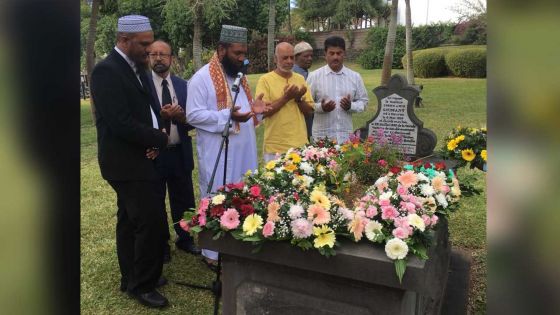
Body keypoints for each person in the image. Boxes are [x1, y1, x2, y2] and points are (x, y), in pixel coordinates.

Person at [90, 15, 169, 308]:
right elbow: (120, 122)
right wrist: (157, 139)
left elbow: (148, 108)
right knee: (151, 222)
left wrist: (153, 141)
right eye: (144, 44)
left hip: (139, 155)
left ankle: (132, 277)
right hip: (123, 162)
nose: (150, 50)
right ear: (124, 40)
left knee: (128, 220)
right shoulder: (106, 71)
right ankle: (143, 284)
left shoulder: (137, 67)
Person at [186, 25, 266, 268]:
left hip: (244, 151)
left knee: (243, 194)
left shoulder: (240, 79)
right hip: (217, 153)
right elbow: (193, 115)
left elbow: (246, 114)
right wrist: (228, 117)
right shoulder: (201, 78)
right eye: (237, 54)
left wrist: (258, 112)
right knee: (217, 197)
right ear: (221, 50)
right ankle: (213, 255)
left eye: (244, 53)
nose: (242, 59)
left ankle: (240, 244)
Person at [146, 40, 201, 262]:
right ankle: (161, 244)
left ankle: (185, 238)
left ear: (171, 59)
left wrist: (181, 118)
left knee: (184, 198)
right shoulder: (142, 86)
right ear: (148, 57)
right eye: (154, 54)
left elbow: (193, 121)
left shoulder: (183, 85)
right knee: (156, 201)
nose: (158, 58)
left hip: (180, 151)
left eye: (163, 54)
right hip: (155, 154)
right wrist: (163, 117)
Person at [256, 42, 314, 162]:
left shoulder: (300, 79)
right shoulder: (265, 80)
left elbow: (309, 112)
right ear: (275, 59)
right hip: (275, 147)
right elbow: (263, 113)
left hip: (300, 144)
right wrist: (286, 98)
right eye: (285, 58)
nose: (289, 61)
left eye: (292, 57)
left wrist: (298, 99)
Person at [306, 36, 369, 144]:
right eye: (331, 53)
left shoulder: (355, 77)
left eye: (339, 53)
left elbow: (364, 102)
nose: (335, 57)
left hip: (345, 138)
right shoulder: (314, 76)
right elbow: (306, 104)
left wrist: (351, 106)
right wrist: (321, 107)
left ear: (344, 54)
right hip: (322, 138)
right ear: (325, 54)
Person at [293, 41, 315, 140]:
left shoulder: (312, 75)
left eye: (311, 56)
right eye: (306, 56)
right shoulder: (291, 75)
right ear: (296, 57)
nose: (310, 59)